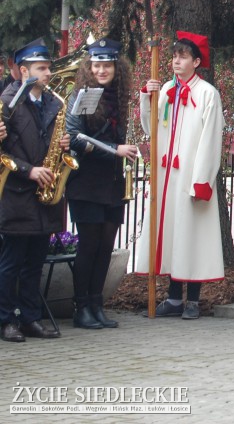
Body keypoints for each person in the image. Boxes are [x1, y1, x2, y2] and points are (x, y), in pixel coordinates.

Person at [138, 31, 224, 320]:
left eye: (183, 56)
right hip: (167, 178)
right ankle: (173, 297)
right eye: (174, 56)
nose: (176, 61)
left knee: (193, 234)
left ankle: (194, 300)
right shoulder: (165, 91)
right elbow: (151, 129)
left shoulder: (207, 94)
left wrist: (202, 179)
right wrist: (147, 98)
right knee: (174, 233)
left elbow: (211, 139)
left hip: (190, 176)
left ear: (196, 61)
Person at [66, 38, 141, 329]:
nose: (101, 70)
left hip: (110, 180)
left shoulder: (118, 96)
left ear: (115, 67)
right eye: (96, 65)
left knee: (105, 245)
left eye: (106, 65)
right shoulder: (83, 95)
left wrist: (125, 149)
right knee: (89, 245)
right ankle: (81, 306)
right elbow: (75, 137)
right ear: (90, 66)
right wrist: (115, 150)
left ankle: (96, 304)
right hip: (86, 181)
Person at [0, 38, 70, 342]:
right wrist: (30, 171)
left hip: (45, 197)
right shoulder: (8, 103)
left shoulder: (55, 102)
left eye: (48, 67)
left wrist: (64, 145)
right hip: (17, 193)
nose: (48, 73)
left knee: (34, 264)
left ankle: (31, 317)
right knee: (11, 263)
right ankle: (5, 320)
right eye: (41, 68)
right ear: (24, 70)